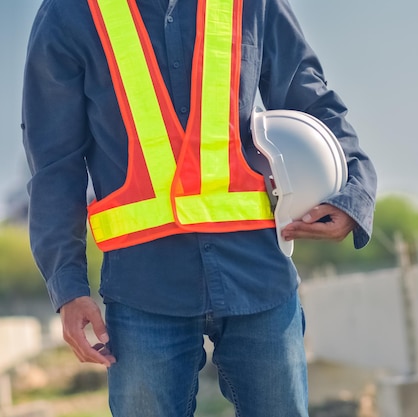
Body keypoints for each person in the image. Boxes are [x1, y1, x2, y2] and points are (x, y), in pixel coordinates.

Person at [22, 0, 376, 415]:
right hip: (143, 289)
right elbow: (54, 163)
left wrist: (353, 192)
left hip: (257, 276)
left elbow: (312, 99)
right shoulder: (71, 12)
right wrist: (67, 287)